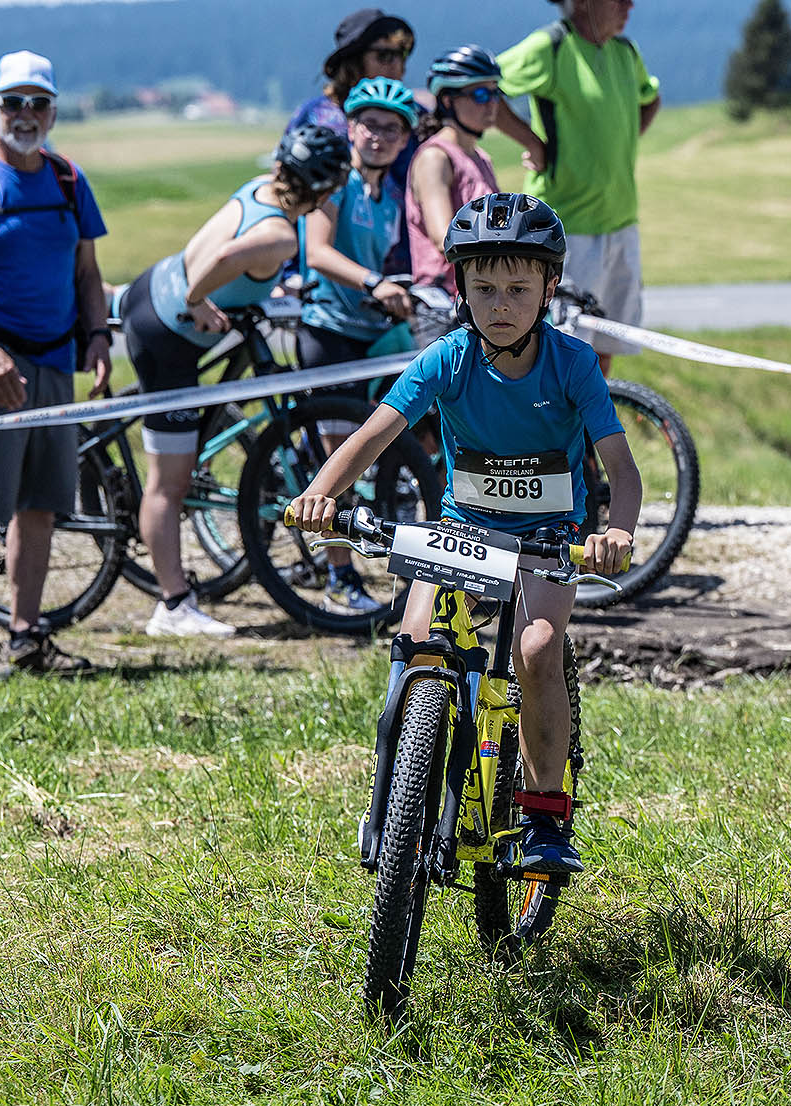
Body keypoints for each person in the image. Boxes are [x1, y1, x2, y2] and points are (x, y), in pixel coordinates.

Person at [285, 194, 640, 874]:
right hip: (463, 528)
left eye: (518, 289)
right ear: (461, 288)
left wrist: (616, 531)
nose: (500, 304)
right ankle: (396, 798)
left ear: (549, 288)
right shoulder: (447, 357)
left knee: (537, 647)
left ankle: (545, 815)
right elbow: (372, 436)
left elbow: (623, 472)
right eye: (484, 288)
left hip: (549, 534)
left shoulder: (572, 363)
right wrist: (320, 494)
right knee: (418, 642)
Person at [117, 125, 351, 637]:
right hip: (167, 335)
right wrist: (197, 300)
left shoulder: (261, 190)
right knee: (169, 484)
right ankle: (172, 606)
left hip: (151, 290)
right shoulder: (281, 235)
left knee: (181, 462)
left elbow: (233, 254)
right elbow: (224, 259)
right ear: (323, 191)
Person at [0, 51, 109, 677]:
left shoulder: (68, 179)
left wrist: (98, 337)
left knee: (40, 505)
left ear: (53, 112)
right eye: (14, 102)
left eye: (39, 103)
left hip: (55, 363)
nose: (26, 114)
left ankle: (26, 636)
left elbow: (87, 271)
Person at [298, 77, 418, 613]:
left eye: (392, 129)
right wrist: (374, 283)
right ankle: (339, 575)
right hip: (329, 331)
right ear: (351, 128)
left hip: (371, 333)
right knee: (338, 461)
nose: (380, 136)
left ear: (403, 139)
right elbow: (318, 252)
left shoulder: (390, 195)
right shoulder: (335, 184)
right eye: (370, 124)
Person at [495, 0, 660, 377]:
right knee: (563, 351)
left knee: (606, 345)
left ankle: (595, 415)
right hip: (565, 227)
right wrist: (531, 141)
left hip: (621, 221)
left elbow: (650, 100)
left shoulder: (625, 51)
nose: (629, 5)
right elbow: (485, 85)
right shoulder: (550, 46)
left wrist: (620, 144)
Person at [288, 8, 419, 276]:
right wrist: (287, 274)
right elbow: (287, 191)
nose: (397, 65)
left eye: (402, 55)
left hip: (395, 268)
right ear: (354, 61)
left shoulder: (413, 116)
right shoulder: (316, 117)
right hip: (320, 272)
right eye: (385, 55)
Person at [406, 46, 503, 348]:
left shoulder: (480, 157)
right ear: (448, 100)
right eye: (480, 95)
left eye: (496, 93)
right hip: (443, 306)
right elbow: (443, 237)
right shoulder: (435, 157)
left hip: (479, 298)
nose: (492, 104)